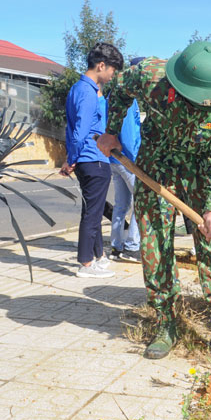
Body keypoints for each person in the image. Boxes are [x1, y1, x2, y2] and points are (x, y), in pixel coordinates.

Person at [97, 41, 211, 359]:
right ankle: (166, 323)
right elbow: (119, 91)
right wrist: (111, 131)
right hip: (158, 160)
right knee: (153, 244)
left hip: (204, 165)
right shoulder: (148, 76)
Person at [59, 42, 123, 278]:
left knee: (93, 210)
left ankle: (98, 257)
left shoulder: (83, 89)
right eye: (112, 71)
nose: (112, 76)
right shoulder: (86, 92)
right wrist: (71, 159)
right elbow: (81, 130)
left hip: (89, 158)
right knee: (93, 214)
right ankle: (86, 263)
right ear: (101, 65)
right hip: (93, 158)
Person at [106, 57, 143, 263]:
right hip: (127, 160)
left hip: (115, 160)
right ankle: (132, 246)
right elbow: (128, 134)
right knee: (141, 203)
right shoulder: (130, 98)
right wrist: (134, 160)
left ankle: (116, 246)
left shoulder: (115, 94)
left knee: (121, 205)